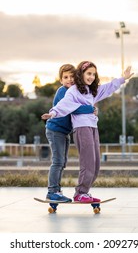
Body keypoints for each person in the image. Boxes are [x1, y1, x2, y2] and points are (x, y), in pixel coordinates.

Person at [42, 62, 133, 203]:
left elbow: (107, 88)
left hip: (84, 128)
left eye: (93, 74)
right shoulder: (70, 91)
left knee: (95, 163)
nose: (91, 76)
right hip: (65, 128)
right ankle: (65, 191)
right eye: (88, 73)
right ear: (81, 74)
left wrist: (122, 79)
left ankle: (82, 191)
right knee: (65, 161)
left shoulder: (91, 91)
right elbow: (65, 106)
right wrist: (53, 113)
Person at [45, 63, 96, 202]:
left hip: (64, 132)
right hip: (55, 131)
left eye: (72, 76)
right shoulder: (63, 91)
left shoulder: (75, 91)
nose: (69, 80)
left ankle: (57, 190)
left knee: (63, 162)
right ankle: (52, 191)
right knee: (58, 161)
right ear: (61, 80)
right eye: (65, 77)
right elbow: (74, 109)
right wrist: (91, 109)